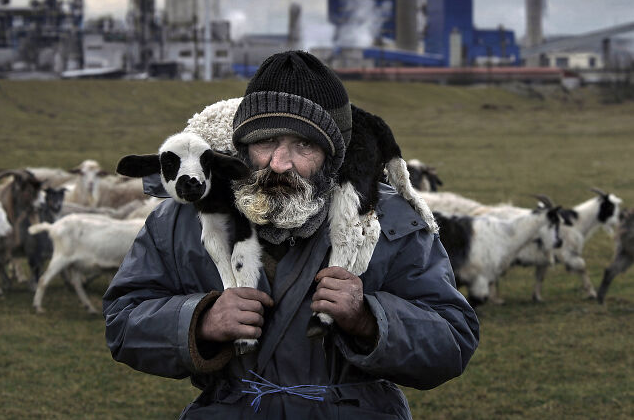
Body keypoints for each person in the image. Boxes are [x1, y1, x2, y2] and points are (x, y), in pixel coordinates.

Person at [104, 51, 479, 419]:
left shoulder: (387, 222)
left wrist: (369, 318)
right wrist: (199, 322)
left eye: (304, 145)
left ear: (333, 155)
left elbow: (452, 340)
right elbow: (123, 322)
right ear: (241, 145)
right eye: (265, 141)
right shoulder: (182, 219)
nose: (279, 164)